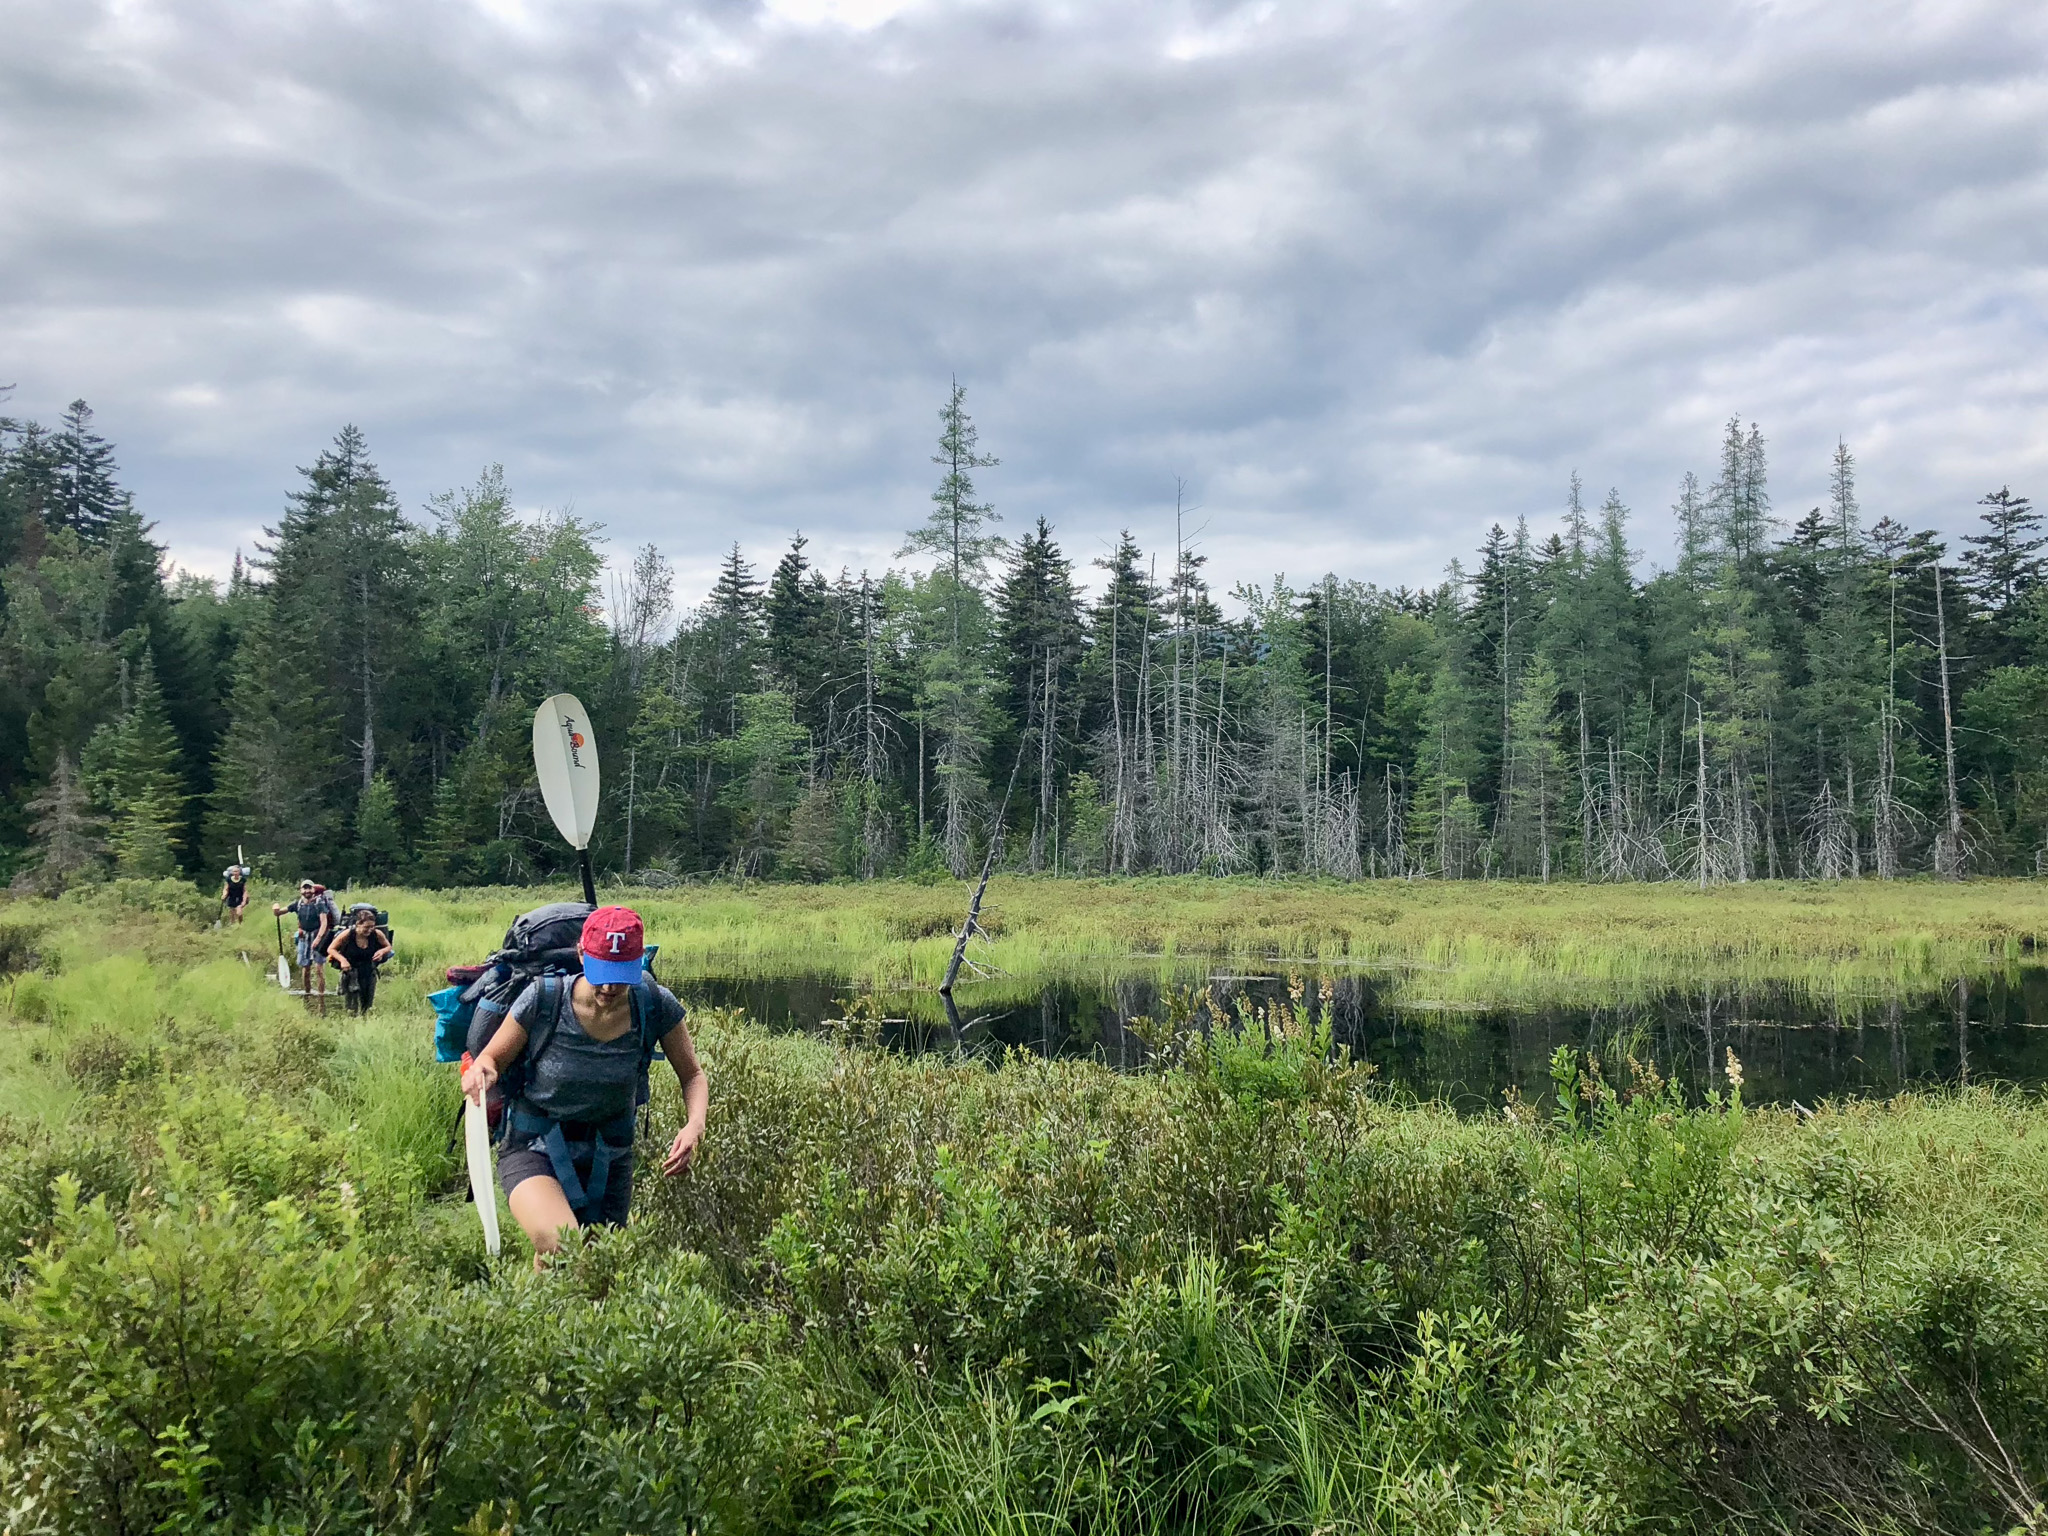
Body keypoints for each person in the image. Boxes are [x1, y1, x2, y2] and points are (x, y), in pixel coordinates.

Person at [460, 906, 706, 1262]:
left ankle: (539, 1317)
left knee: (599, 1273)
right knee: (565, 1246)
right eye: (601, 971)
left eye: (621, 975)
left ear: (638, 962)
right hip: (534, 1144)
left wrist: (694, 1124)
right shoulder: (543, 999)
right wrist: (482, 1071)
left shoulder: (654, 1004)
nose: (609, 986)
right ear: (581, 954)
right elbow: (491, 1058)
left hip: (609, 1154)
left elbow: (693, 1075)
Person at [273, 880, 333, 1007]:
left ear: (313, 890)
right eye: (304, 889)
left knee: (319, 969)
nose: (307, 891)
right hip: (304, 938)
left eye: (309, 888)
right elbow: (279, 913)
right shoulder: (298, 904)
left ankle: (321, 996)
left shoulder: (319, 903)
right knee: (305, 968)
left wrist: (319, 939)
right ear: (300, 890)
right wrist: (276, 908)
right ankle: (307, 994)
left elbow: (324, 923)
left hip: (318, 937)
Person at [328, 903, 393, 1015]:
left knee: (367, 1004)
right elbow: (331, 949)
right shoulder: (347, 934)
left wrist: (382, 951)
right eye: (366, 927)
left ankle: (365, 1021)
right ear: (358, 924)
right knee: (352, 1006)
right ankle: (352, 1024)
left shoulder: (377, 934)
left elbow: (388, 946)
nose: (370, 930)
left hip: (369, 972)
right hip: (351, 973)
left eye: (372, 926)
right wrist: (343, 960)